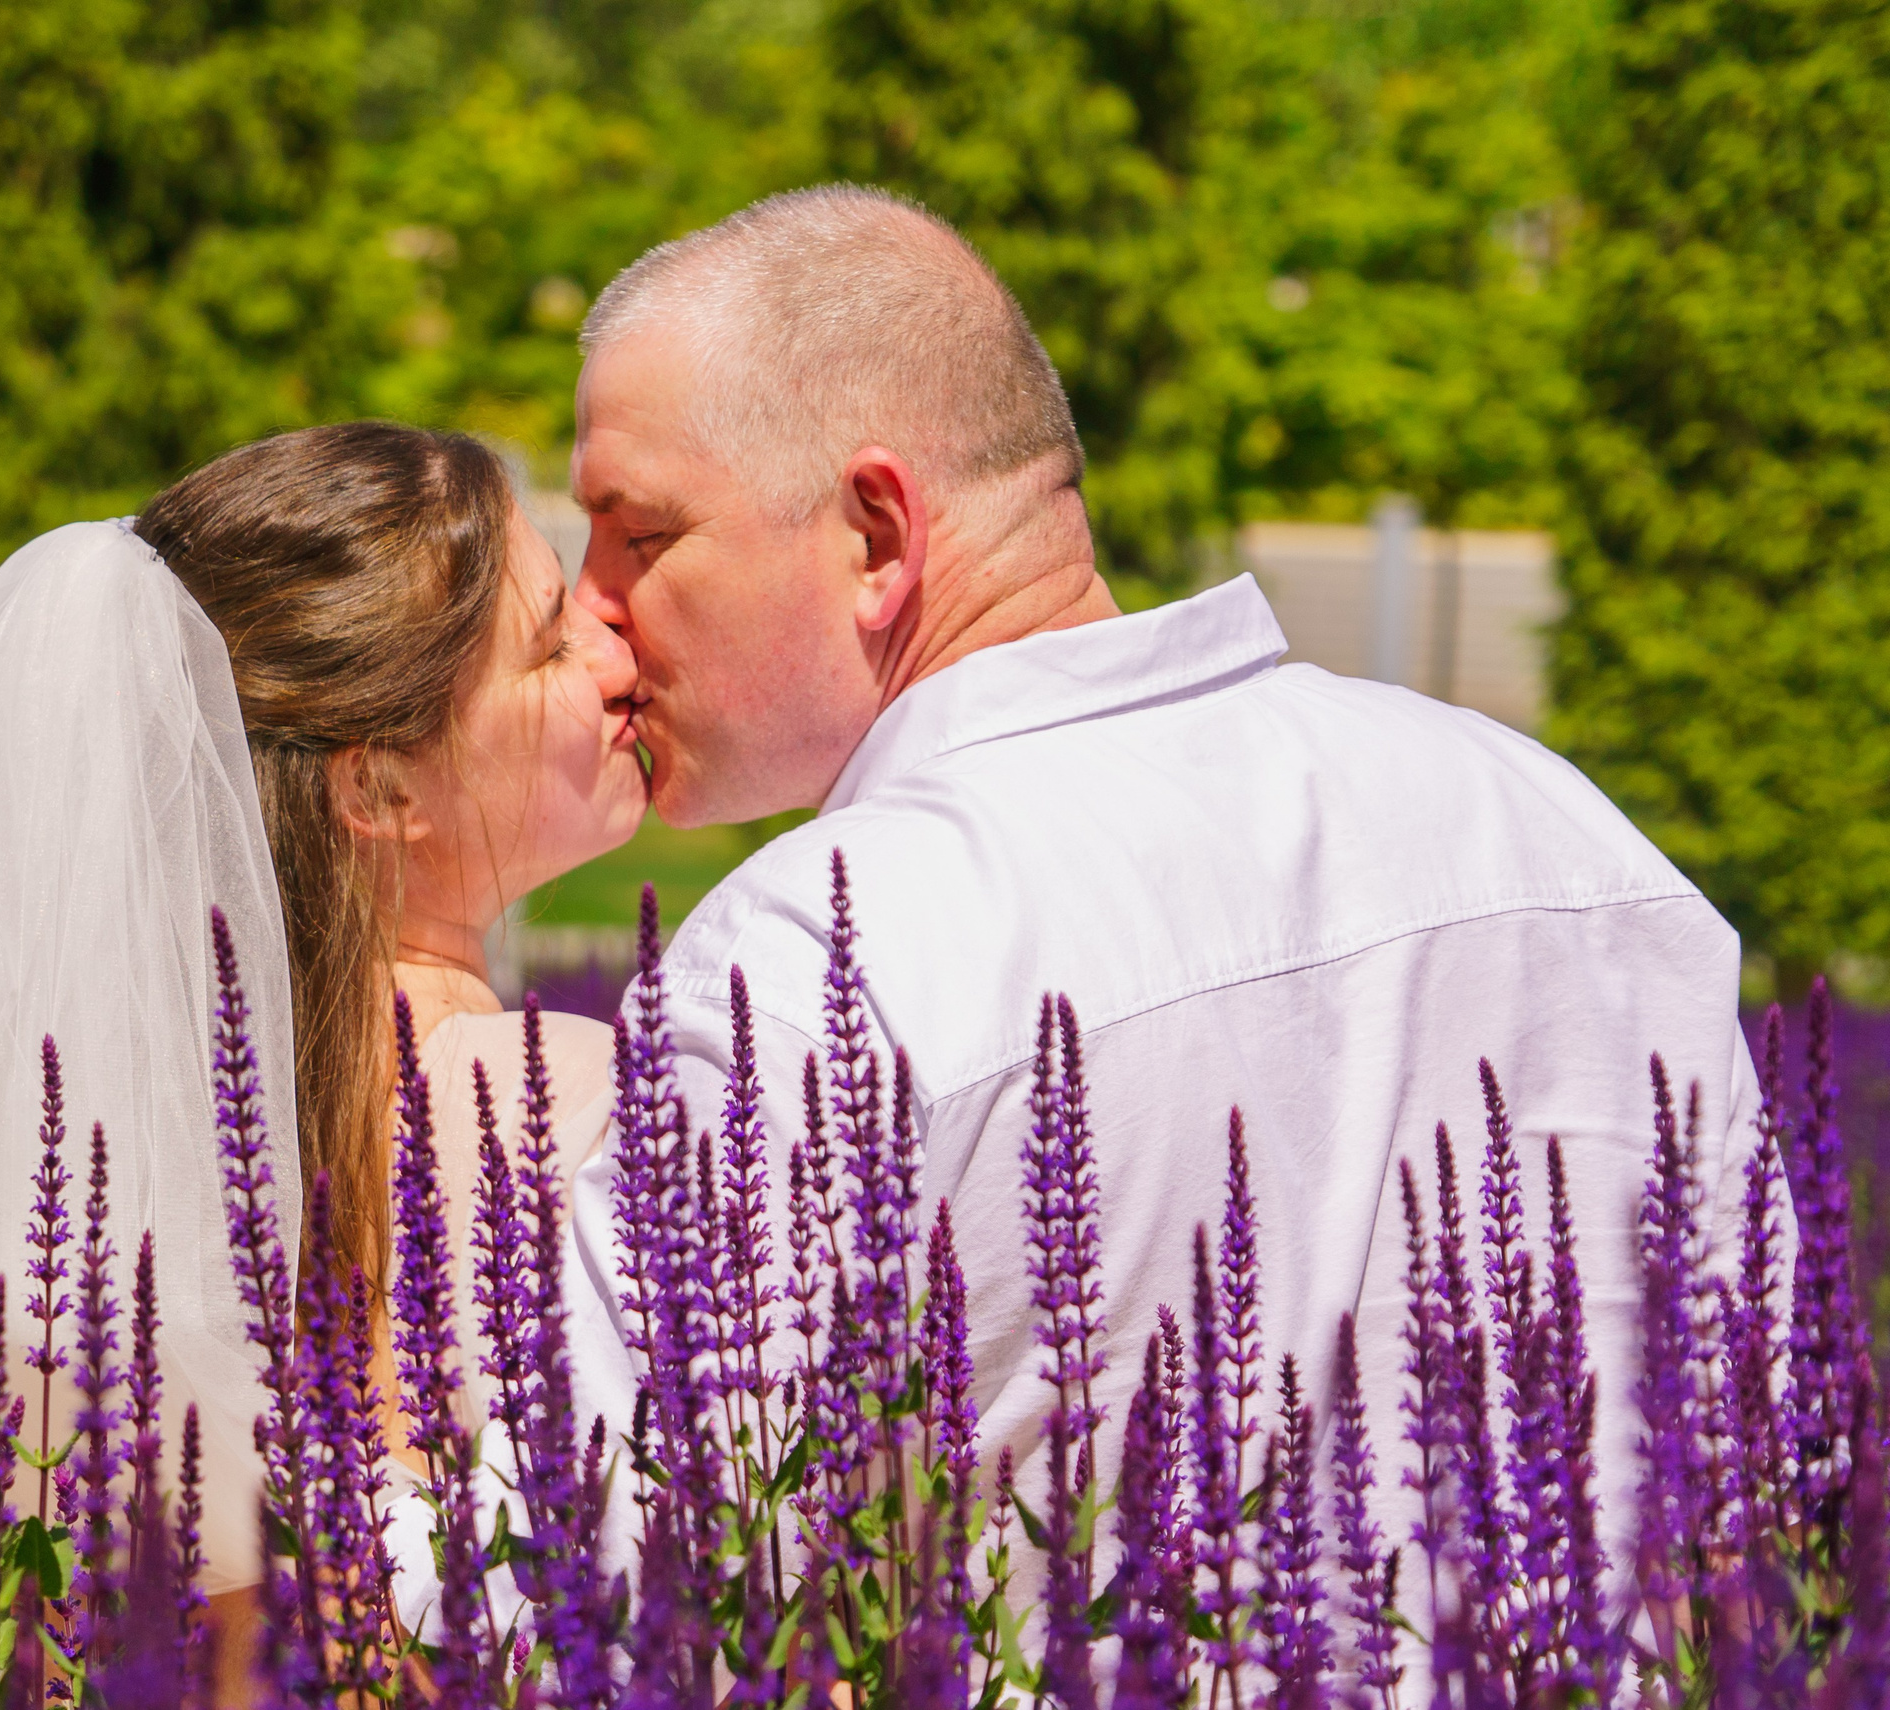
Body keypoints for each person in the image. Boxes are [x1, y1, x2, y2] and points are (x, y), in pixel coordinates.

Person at [561, 185, 1760, 1632]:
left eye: (636, 534)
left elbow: (592, 1564)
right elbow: (1764, 1494)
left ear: (877, 535)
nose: (590, 605)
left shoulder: (825, 952)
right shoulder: (1563, 830)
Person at [0, 422, 646, 1681]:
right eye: (551, 645)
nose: (616, 656)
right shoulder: (557, 1100)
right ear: (380, 792)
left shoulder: (82, 1157)